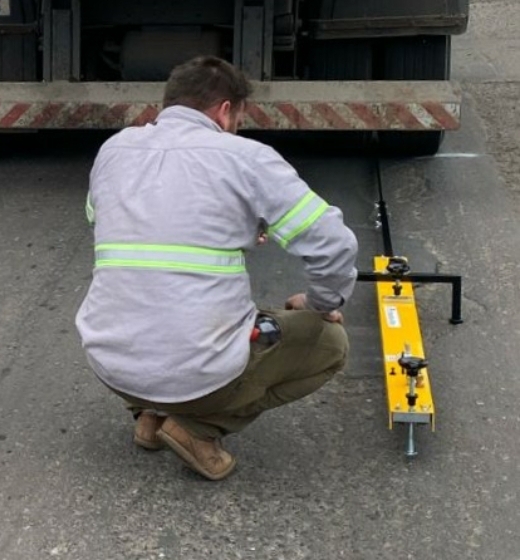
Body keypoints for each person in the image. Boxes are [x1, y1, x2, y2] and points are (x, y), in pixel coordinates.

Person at [75, 56, 358, 480]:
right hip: (196, 372)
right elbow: (334, 245)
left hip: (110, 361)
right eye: (239, 118)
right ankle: (197, 426)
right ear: (226, 111)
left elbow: (107, 217)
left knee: (146, 299)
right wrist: (318, 302)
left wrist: (234, 226)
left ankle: (148, 416)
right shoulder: (246, 157)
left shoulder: (115, 149)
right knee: (331, 345)